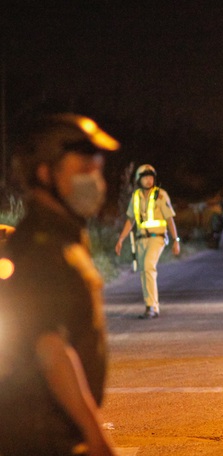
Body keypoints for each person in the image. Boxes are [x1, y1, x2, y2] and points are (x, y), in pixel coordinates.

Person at [0, 113, 118, 455]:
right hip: (40, 438)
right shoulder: (40, 249)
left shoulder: (66, 238)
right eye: (84, 170)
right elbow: (51, 349)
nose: (95, 180)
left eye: (97, 170)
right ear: (45, 174)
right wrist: (97, 439)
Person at [115, 163, 181, 319]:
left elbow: (170, 218)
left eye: (151, 177)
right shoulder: (136, 197)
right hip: (141, 240)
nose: (149, 180)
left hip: (157, 238)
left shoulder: (161, 195)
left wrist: (175, 240)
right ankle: (150, 305)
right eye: (145, 178)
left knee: (148, 266)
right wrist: (121, 239)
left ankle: (152, 307)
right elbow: (130, 220)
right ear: (139, 180)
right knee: (144, 272)